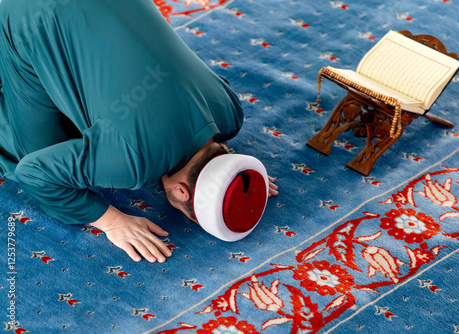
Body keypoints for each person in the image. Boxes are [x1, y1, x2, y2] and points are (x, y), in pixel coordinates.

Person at [0, 0, 278, 263]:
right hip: (29, 12)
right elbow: (34, 173)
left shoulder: (230, 111)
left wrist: (238, 176)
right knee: (29, 156)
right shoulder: (134, 163)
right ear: (181, 192)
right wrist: (110, 221)